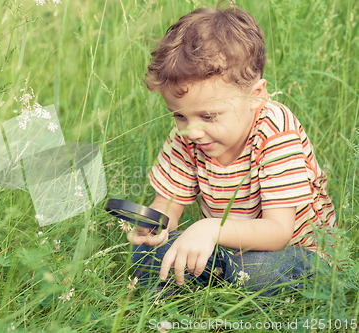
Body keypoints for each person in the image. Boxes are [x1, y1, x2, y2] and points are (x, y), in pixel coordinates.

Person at [127, 1, 336, 297]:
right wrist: (155, 223)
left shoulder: (275, 131)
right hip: (223, 244)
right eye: (179, 115)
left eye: (208, 116)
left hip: (294, 252)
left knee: (266, 269)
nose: (193, 130)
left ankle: (218, 276)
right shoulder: (187, 135)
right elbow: (170, 203)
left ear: (256, 97)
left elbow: (279, 232)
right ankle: (216, 274)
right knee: (146, 257)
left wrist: (210, 228)